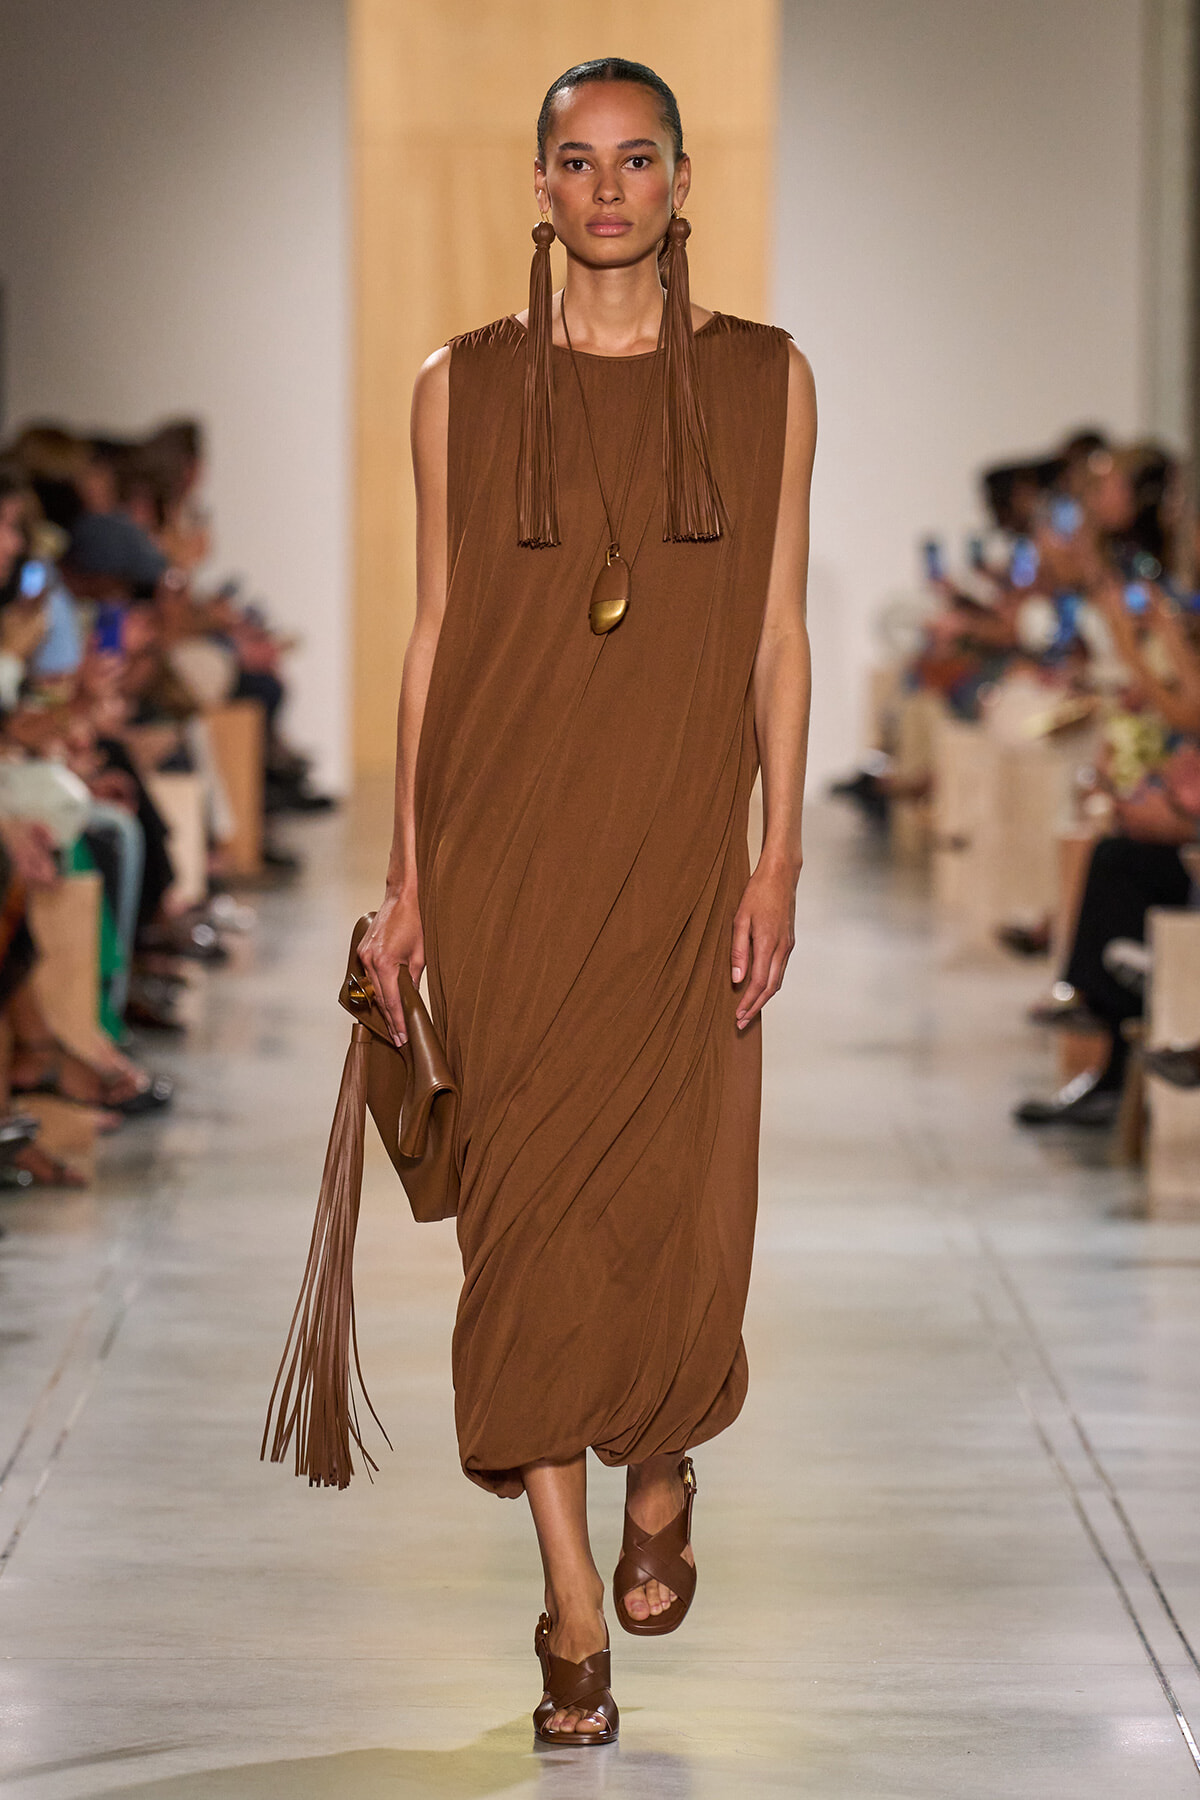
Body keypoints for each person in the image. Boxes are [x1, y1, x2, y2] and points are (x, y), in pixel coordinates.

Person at [356, 58, 815, 1745]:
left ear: (683, 185)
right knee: (525, 1229)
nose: (607, 186)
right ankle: (565, 1602)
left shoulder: (767, 380)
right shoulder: (457, 387)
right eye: (576, 159)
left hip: (686, 858)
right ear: (538, 188)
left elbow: (776, 632)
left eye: (637, 160)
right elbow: (431, 644)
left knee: (675, 1218)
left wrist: (776, 856)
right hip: (507, 858)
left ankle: (666, 1458)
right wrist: (406, 884)